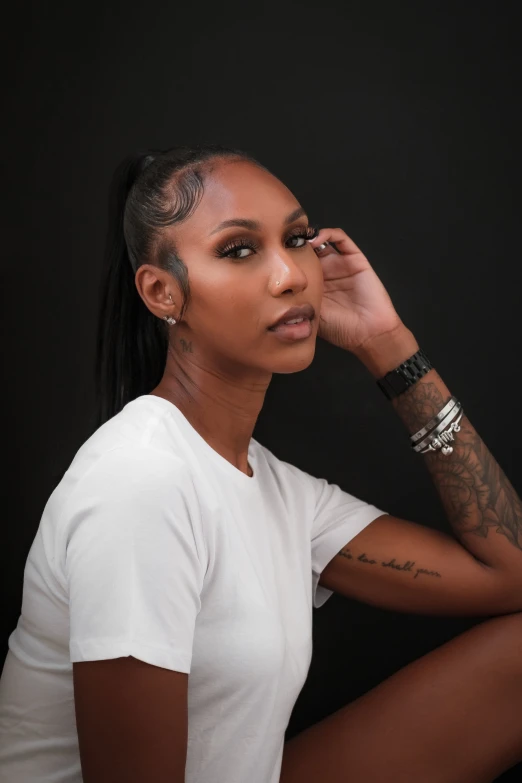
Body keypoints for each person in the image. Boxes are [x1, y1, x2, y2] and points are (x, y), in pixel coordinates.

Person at [1, 143, 521, 783]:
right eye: (239, 250)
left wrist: (390, 347)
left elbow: (509, 577)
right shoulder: (140, 479)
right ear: (162, 292)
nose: (291, 276)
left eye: (299, 239)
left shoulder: (279, 493)